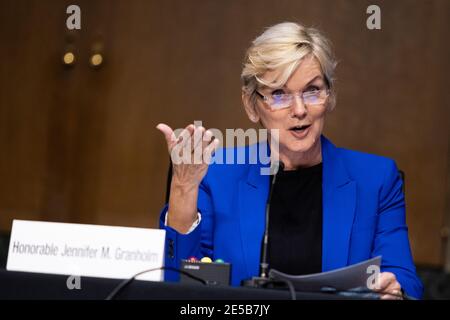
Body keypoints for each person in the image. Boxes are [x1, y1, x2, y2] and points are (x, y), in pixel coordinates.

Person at [156, 22, 423, 299]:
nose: (299, 110)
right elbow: (178, 284)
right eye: (279, 94)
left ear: (330, 97)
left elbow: (405, 280)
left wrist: (395, 290)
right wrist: (183, 190)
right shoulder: (216, 174)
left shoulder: (376, 179)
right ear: (251, 105)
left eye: (312, 90)